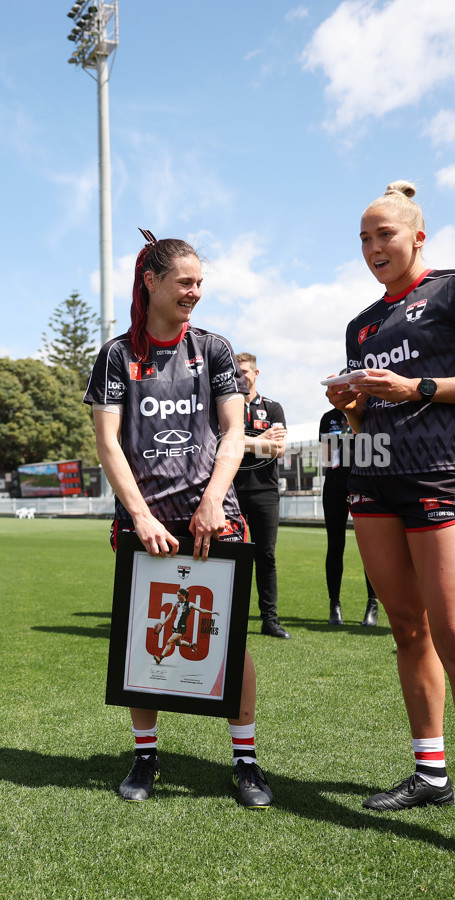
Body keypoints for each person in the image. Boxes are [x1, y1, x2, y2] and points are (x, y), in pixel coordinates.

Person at [325, 181, 455, 890]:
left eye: (385, 234)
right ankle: (430, 772)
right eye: (364, 238)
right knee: (407, 631)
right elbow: (364, 422)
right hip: (373, 477)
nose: (374, 247)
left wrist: (420, 389)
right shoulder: (359, 325)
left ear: (416, 236)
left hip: (444, 473)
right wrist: (350, 403)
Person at [84, 232, 273, 809]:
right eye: (184, 282)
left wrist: (215, 499)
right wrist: (139, 516)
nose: (195, 292)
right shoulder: (118, 355)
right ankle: (145, 756)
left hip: (213, 520)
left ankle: (246, 761)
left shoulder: (214, 349)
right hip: (146, 524)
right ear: (152, 282)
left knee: (229, 640)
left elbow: (234, 432)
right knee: (144, 643)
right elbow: (108, 444)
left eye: (199, 283)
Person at [233, 353, 290, 639]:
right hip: (229, 492)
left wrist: (241, 443)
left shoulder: (273, 408)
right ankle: (231, 619)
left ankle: (270, 620)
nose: (240, 376)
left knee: (265, 556)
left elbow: (278, 450)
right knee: (230, 555)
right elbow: (221, 444)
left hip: (265, 492)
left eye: (244, 372)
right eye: (235, 372)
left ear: (256, 373)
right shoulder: (225, 407)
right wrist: (260, 442)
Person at [319, 400, 378, 626]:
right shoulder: (328, 418)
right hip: (334, 487)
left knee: (369, 548)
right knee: (335, 545)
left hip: (364, 485)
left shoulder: (369, 414)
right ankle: (335, 604)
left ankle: (372, 603)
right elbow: (326, 457)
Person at [152, 587, 220, 664]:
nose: (178, 597)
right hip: (175, 627)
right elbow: (170, 614)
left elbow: (201, 610)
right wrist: (162, 624)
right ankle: (192, 645)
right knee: (178, 643)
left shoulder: (190, 604)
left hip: (182, 627)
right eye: (177, 595)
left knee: (169, 642)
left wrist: (213, 612)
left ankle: (160, 658)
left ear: (184, 595)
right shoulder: (176, 603)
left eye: (179, 595)